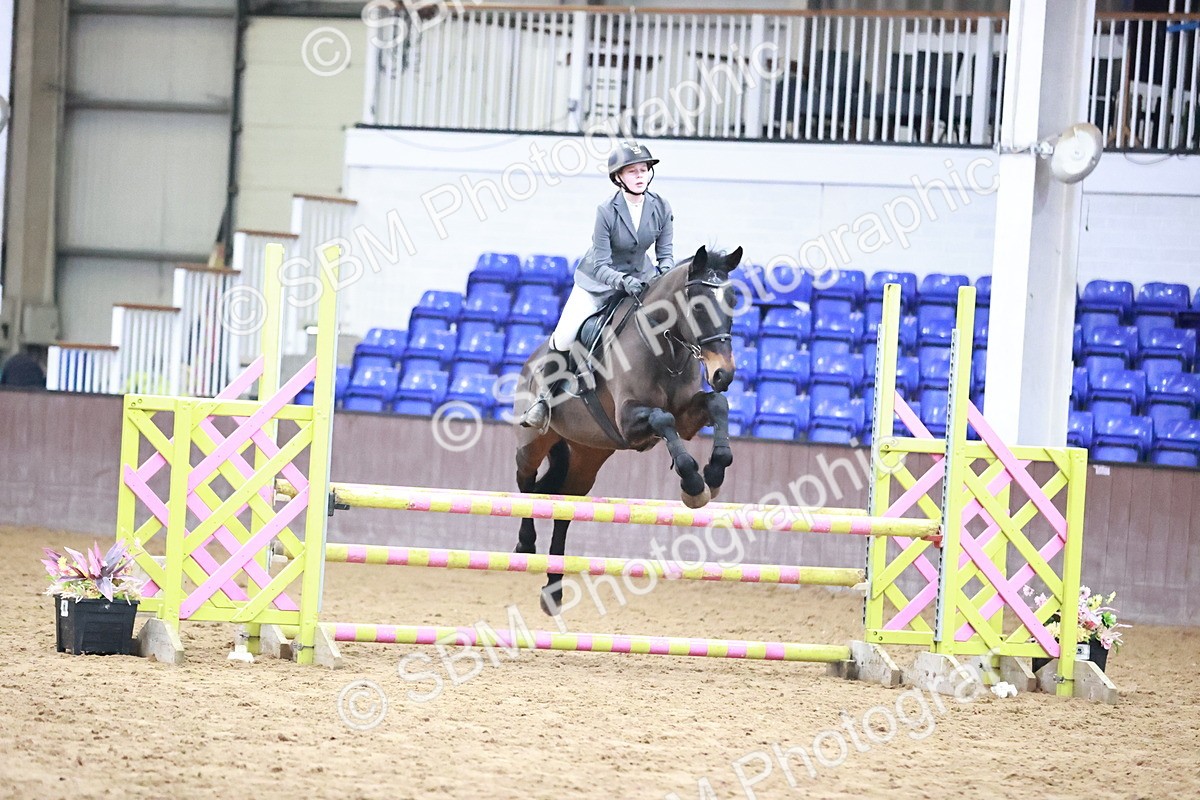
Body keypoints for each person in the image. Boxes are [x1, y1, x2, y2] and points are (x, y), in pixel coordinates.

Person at [519, 140, 675, 429]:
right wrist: (623, 281)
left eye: (644, 170)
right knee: (565, 335)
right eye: (632, 171)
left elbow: (665, 255)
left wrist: (664, 277)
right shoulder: (606, 211)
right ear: (618, 177)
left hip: (641, 280)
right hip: (598, 282)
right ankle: (543, 399)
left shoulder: (661, 207)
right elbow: (602, 264)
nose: (640, 176)